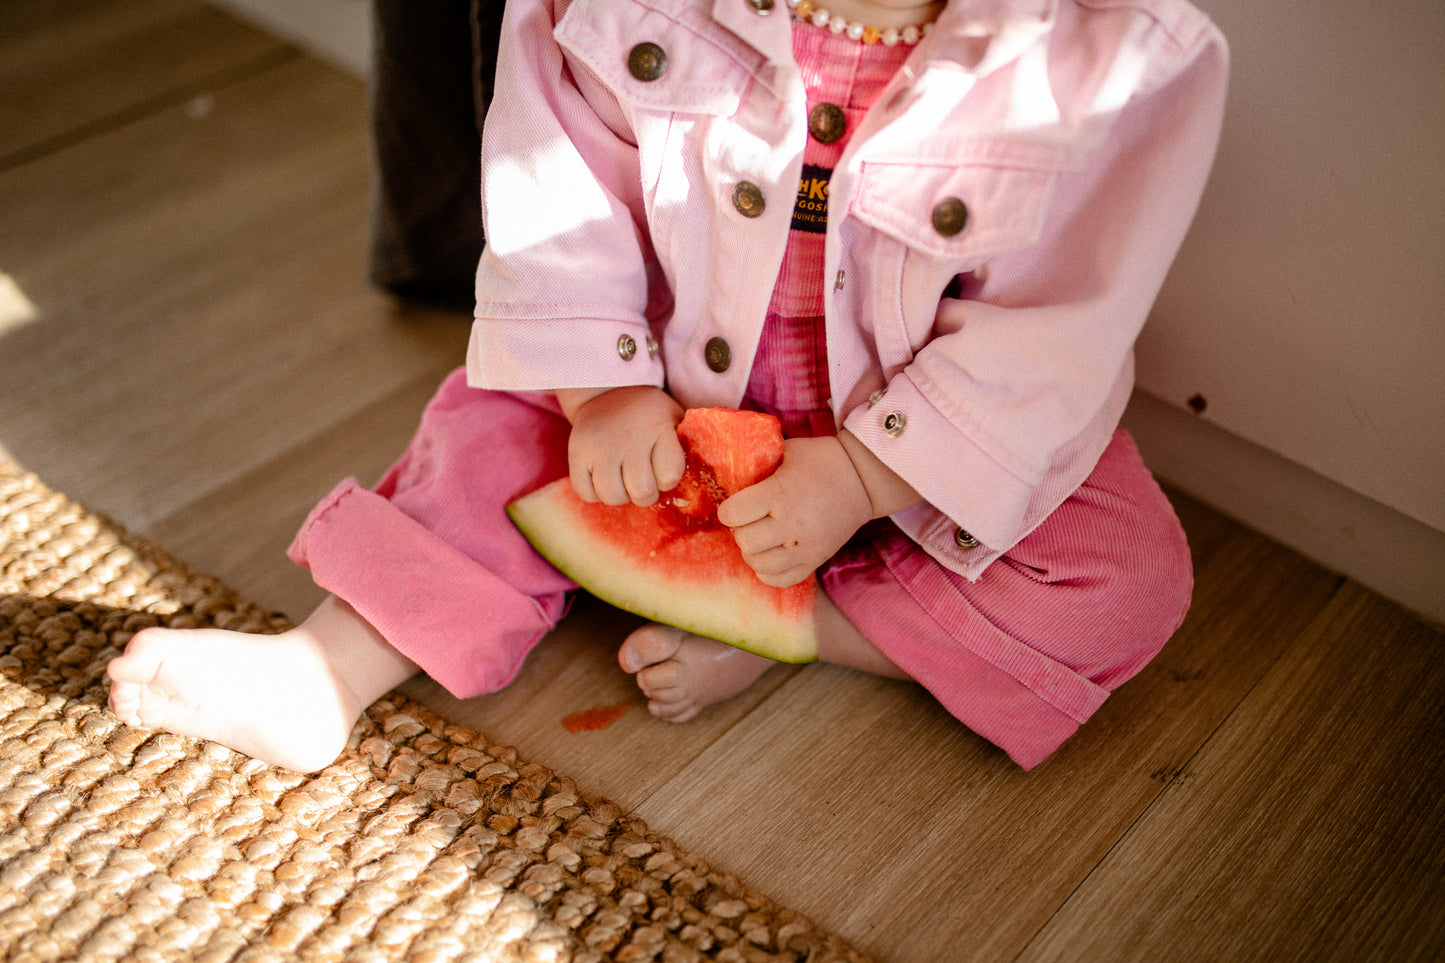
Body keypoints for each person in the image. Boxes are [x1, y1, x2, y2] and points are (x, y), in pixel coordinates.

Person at [107, 0, 1228, 773]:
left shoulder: (1116, 58)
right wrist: (598, 390)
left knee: (1125, 578)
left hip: (910, 444)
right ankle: (330, 667)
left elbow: (1054, 329)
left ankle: (790, 623)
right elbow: (557, 183)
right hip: (646, 390)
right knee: (486, 436)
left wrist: (866, 471)